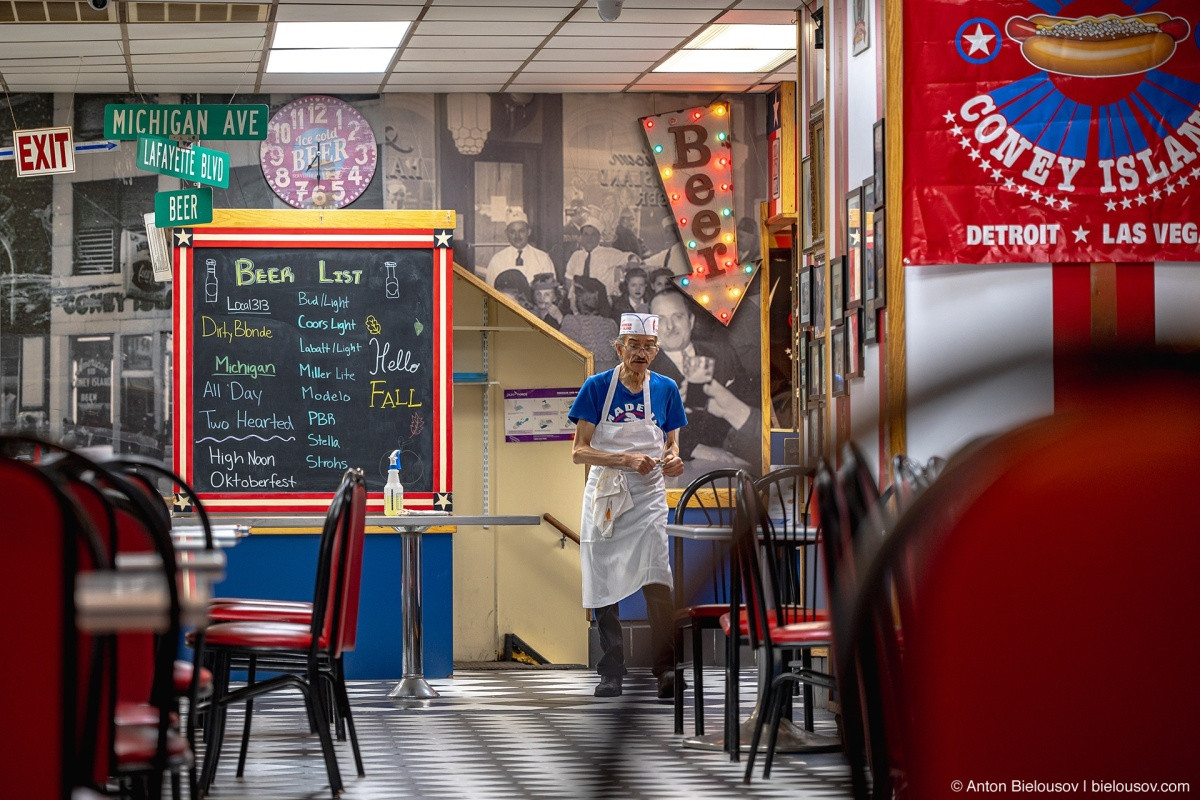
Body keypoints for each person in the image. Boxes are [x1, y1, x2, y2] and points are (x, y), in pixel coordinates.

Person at [567, 312, 687, 698]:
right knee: (603, 580)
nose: (641, 353)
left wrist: (673, 460)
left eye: (648, 347)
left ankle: (666, 668)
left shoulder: (666, 389)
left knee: (657, 577)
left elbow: (672, 444)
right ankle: (611, 669)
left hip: (649, 496)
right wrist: (625, 459)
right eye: (633, 346)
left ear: (656, 351)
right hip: (605, 494)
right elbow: (579, 452)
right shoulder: (597, 387)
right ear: (618, 348)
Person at [648, 288, 761, 486]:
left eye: (678, 316)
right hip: (681, 469)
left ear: (691, 321)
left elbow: (750, 400)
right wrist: (696, 449)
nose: (670, 326)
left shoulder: (722, 352)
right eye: (661, 320)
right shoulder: (642, 370)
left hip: (741, 456)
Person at [565, 217, 628, 306]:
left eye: (593, 234)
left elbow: (629, 257)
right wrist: (573, 302)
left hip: (603, 304)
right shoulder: (576, 256)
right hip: (579, 305)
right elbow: (569, 279)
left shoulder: (610, 253)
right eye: (586, 234)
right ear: (581, 237)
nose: (589, 238)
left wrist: (631, 260)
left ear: (599, 237)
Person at [561, 276, 619, 372]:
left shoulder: (571, 321)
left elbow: (563, 357)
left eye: (572, 295)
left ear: (579, 300)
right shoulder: (611, 323)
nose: (569, 297)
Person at [484, 210, 555, 287]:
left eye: (521, 231)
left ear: (529, 232)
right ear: (506, 233)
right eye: (512, 232)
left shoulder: (543, 258)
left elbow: (551, 291)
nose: (517, 236)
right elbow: (490, 291)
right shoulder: (497, 260)